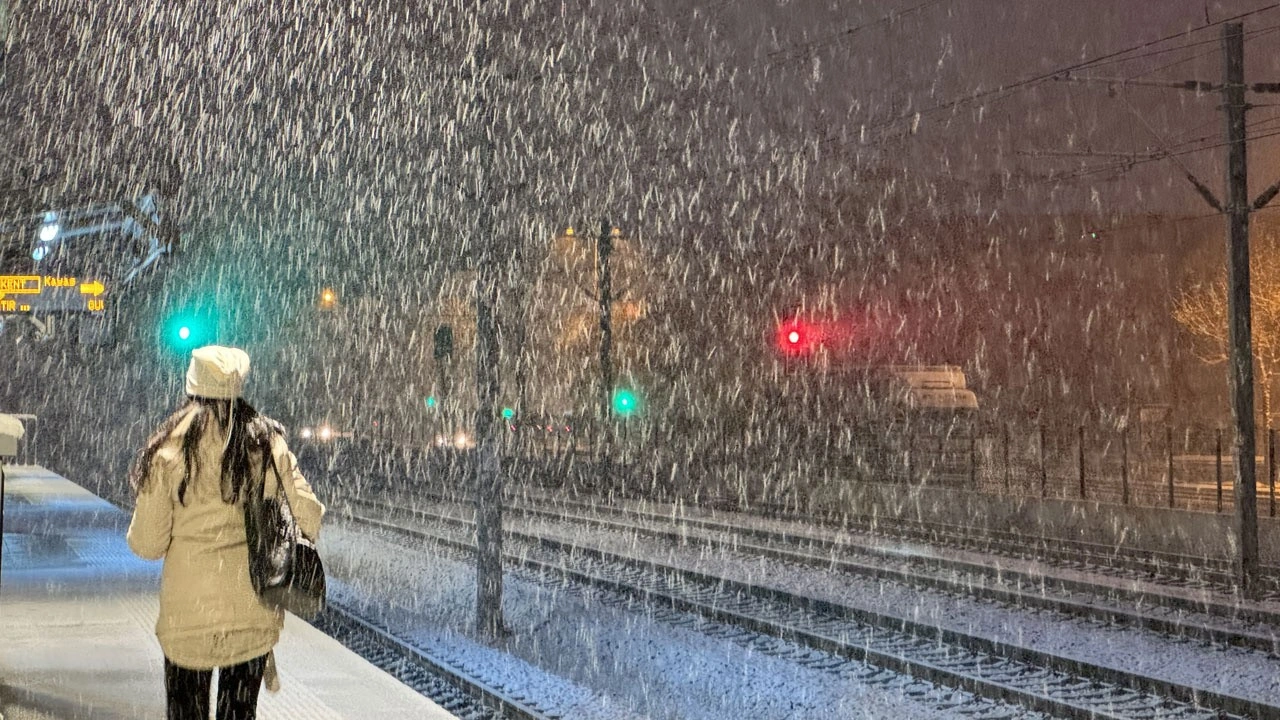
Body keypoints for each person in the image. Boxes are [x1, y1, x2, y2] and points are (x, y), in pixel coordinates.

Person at [127, 346, 325, 720]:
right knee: (239, 714)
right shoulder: (265, 444)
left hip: (187, 619)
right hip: (249, 610)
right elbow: (309, 517)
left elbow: (147, 545)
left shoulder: (169, 452)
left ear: (191, 387)